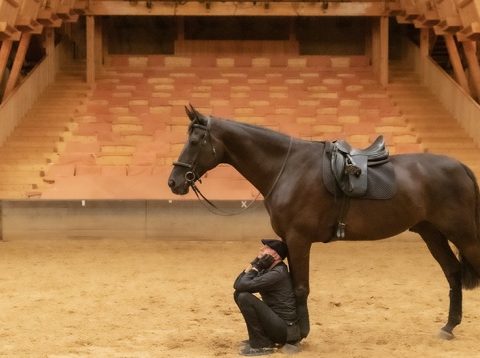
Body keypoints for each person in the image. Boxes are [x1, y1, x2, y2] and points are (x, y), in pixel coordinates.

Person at [233, 239, 301, 356]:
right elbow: (237, 285)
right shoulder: (267, 269)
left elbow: (242, 285)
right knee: (239, 294)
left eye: (266, 248)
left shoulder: (277, 273)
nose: (261, 249)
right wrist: (254, 264)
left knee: (244, 297)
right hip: (275, 323)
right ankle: (260, 339)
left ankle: (262, 344)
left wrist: (257, 266)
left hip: (284, 329)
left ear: (275, 255)